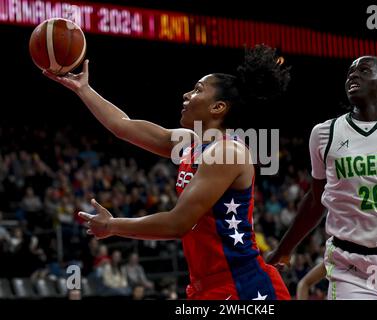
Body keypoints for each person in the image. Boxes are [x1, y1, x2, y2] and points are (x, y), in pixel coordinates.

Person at [43, 45, 291, 300]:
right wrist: (83, 89)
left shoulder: (227, 153)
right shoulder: (189, 143)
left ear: (218, 107)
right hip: (206, 286)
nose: (186, 94)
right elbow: (122, 126)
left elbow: (177, 223)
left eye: (197, 90)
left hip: (244, 286)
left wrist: (112, 225)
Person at [267, 56, 377, 299]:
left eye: (363, 70)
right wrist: (283, 249)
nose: (352, 75)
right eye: (350, 72)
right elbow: (315, 200)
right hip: (351, 264)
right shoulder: (324, 134)